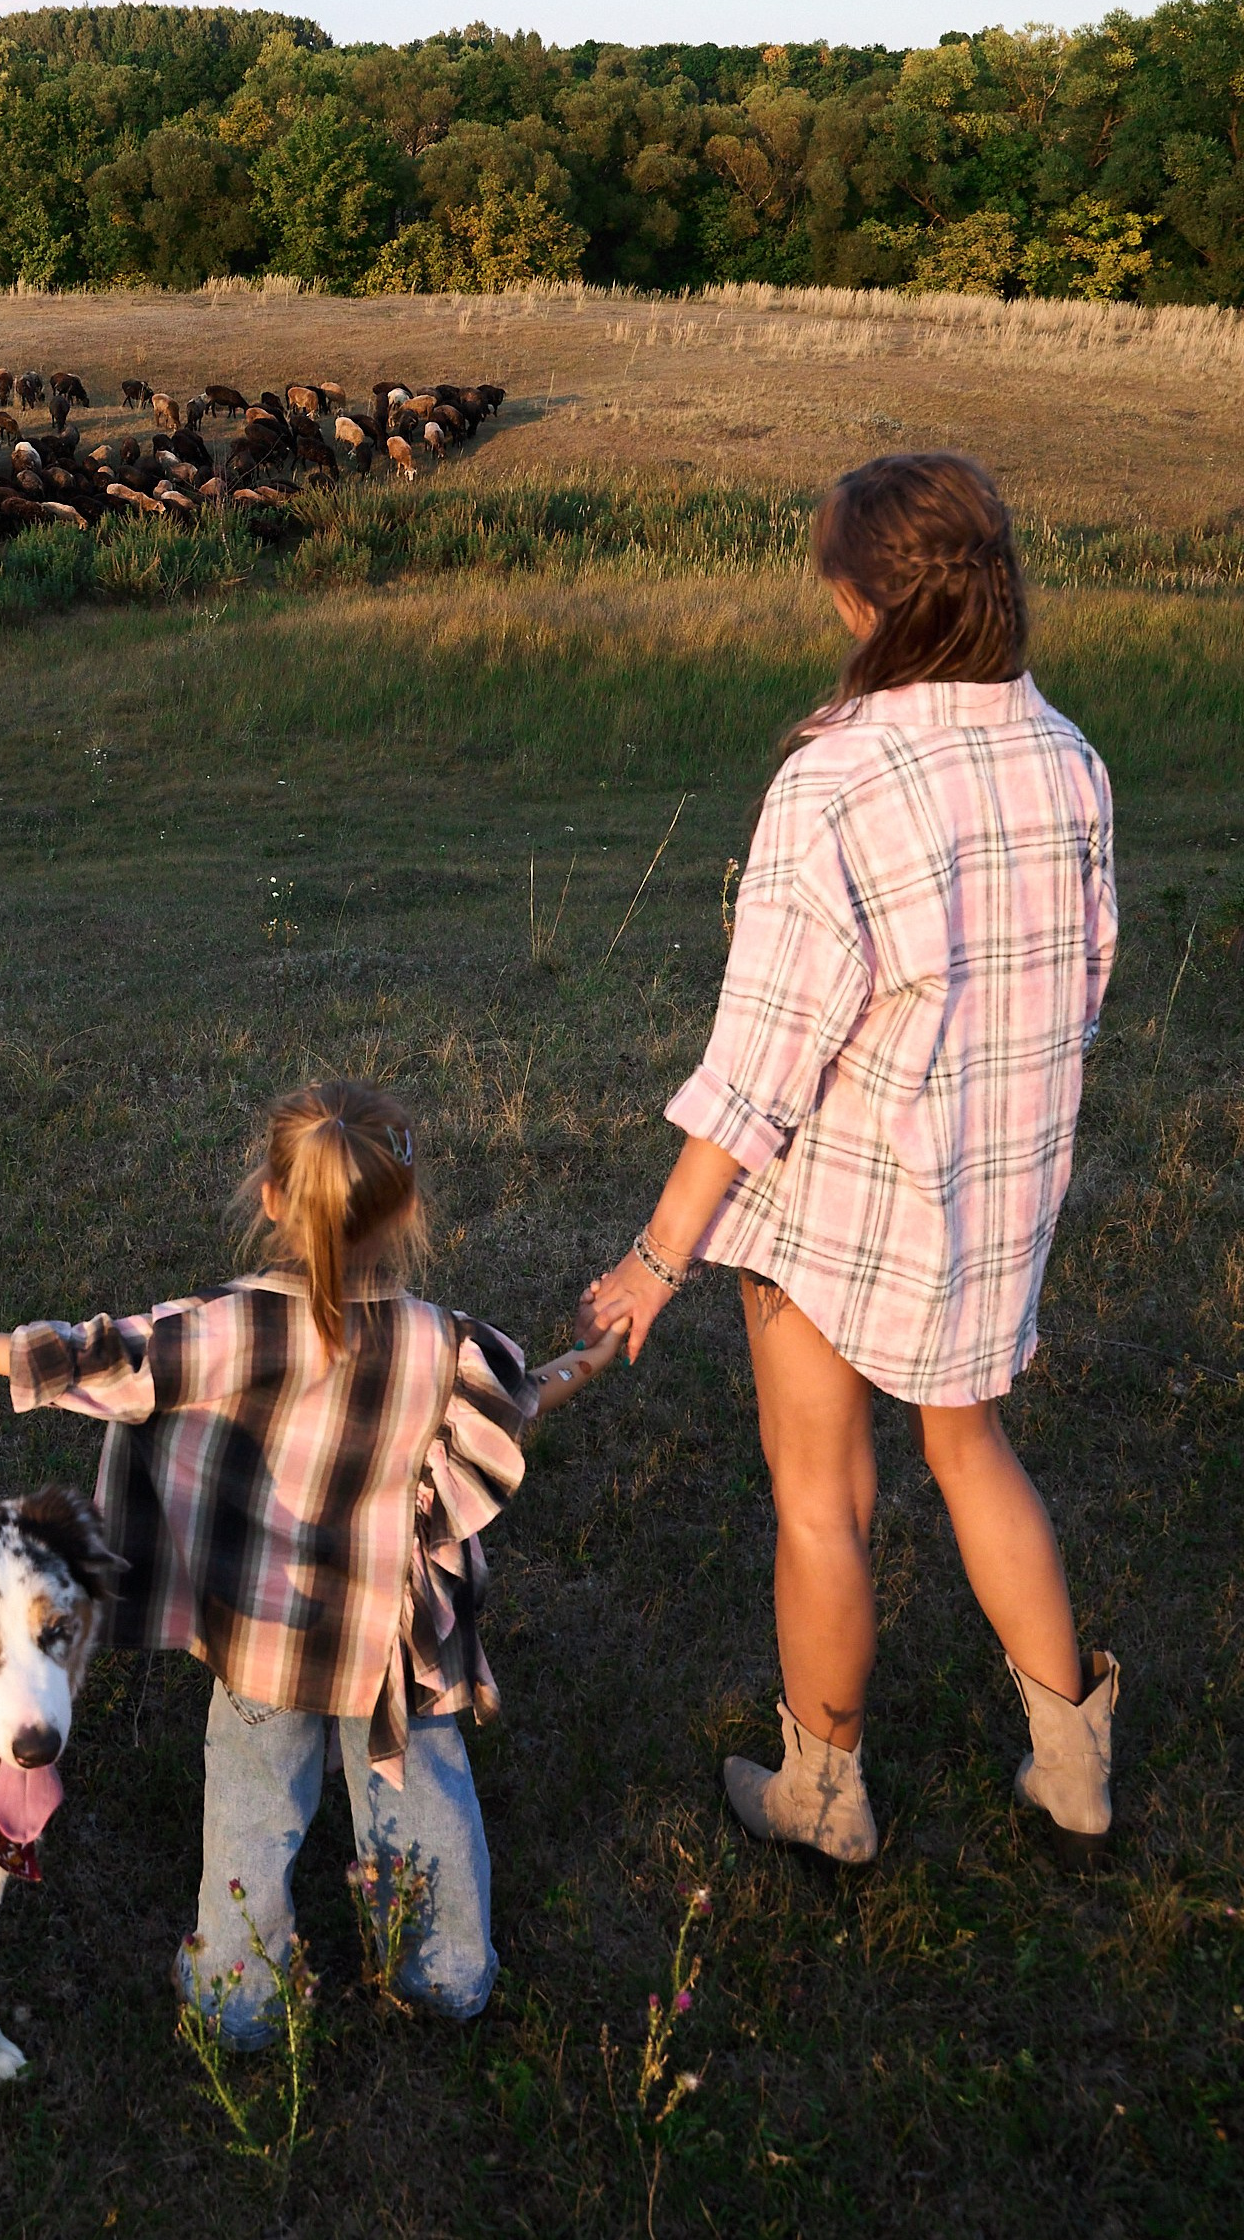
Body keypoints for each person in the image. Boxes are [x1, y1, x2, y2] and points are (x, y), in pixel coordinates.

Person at [588, 452, 1119, 1868]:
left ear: (861, 598)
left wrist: (657, 1257)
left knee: (822, 1499)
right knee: (971, 1443)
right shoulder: (1069, 753)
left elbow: (763, 1058)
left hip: (839, 1197)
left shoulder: (839, 779)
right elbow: (1088, 973)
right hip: (994, 1177)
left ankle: (826, 1797)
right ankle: (1074, 1767)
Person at [0, 1081, 620, 2043]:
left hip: (259, 1641)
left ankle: (239, 2000)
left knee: (249, 1808)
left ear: (273, 1198)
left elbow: (92, 1360)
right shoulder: (446, 1347)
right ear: (406, 1210)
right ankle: (443, 1971)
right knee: (421, 1791)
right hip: (394, 1647)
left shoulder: (220, 1330)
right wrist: (594, 1355)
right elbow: (522, 1399)